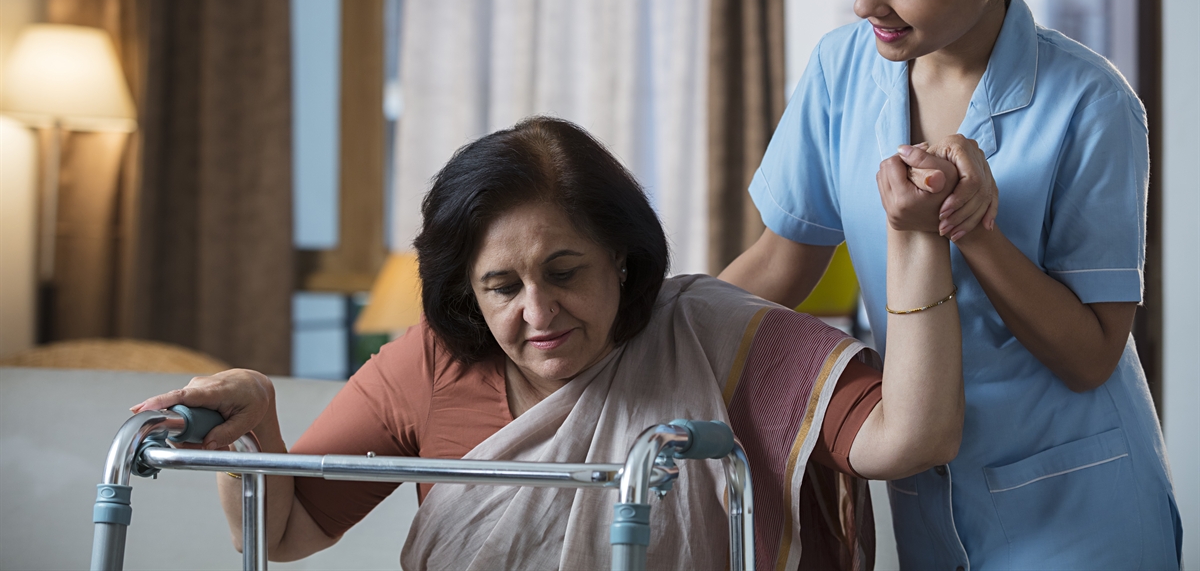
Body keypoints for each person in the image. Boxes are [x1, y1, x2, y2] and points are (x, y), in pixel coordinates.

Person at [135, 116, 963, 570]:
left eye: (565, 271)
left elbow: (915, 438)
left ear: (623, 258)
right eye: (502, 286)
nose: (539, 311)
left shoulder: (718, 338)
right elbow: (282, 536)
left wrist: (916, 239)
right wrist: (255, 422)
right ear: (467, 291)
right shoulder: (433, 360)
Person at [720, 0, 1181, 570]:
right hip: (933, 505)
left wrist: (975, 229)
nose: (868, 1)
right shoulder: (842, 69)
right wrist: (651, 344)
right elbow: (781, 262)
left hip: (1080, 511)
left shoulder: (1092, 105)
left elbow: (1091, 355)